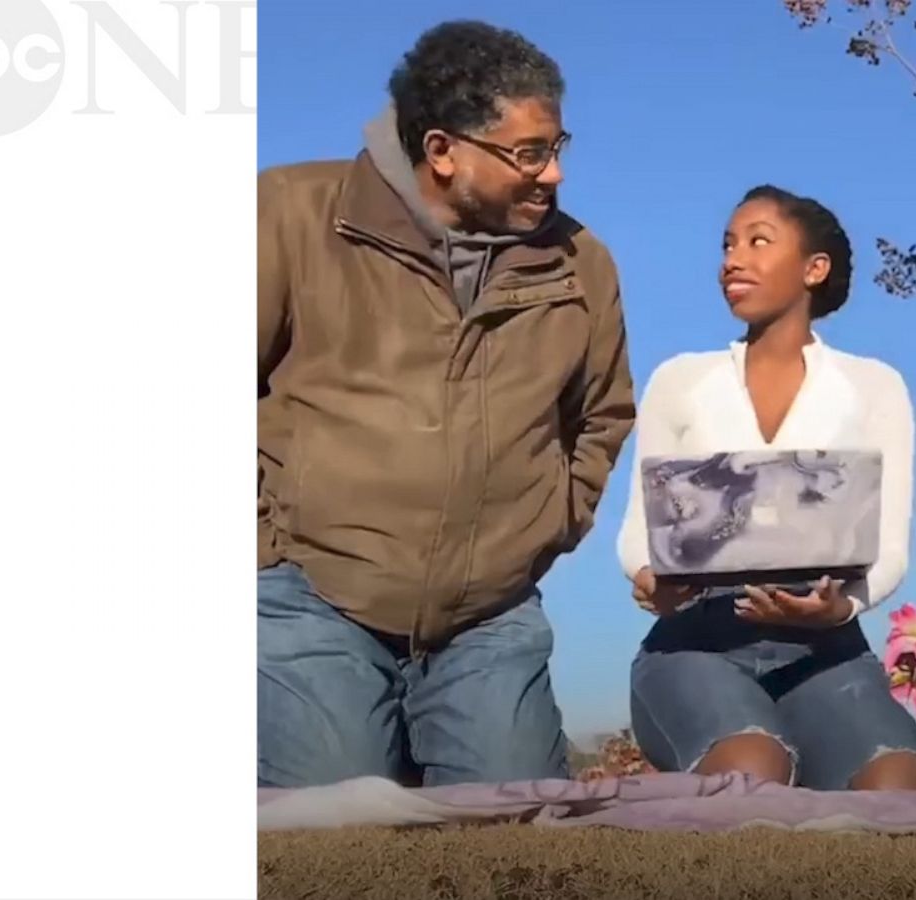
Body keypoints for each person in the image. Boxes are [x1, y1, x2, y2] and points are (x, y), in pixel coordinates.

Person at [256, 21, 635, 788]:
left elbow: (602, 416)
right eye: (530, 153)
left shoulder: (582, 264)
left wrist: (544, 527)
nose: (554, 173)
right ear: (442, 150)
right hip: (311, 596)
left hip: (491, 616)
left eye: (558, 146)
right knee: (333, 835)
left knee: (516, 830)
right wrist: (264, 546)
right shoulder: (290, 215)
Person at [617, 186, 916, 791]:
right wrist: (652, 578)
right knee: (751, 771)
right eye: (728, 245)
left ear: (814, 268)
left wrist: (839, 608)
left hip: (826, 646)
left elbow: (889, 543)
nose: (733, 259)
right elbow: (640, 531)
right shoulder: (680, 380)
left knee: (899, 786)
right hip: (697, 637)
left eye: (758, 242)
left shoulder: (874, 386)